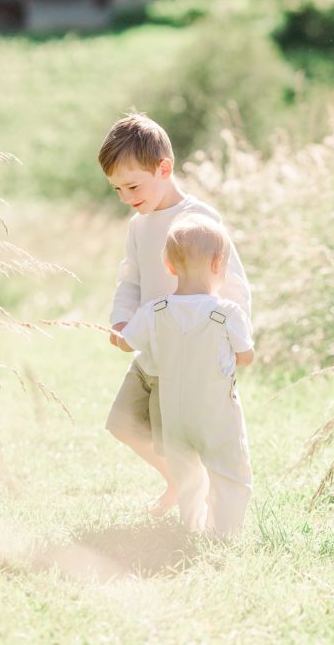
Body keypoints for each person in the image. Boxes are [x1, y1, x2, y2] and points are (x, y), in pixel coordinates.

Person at [99, 112, 251, 516]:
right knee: (123, 423)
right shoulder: (138, 225)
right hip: (151, 351)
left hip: (192, 356)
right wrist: (121, 320)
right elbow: (130, 278)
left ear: (164, 168)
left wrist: (235, 344)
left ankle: (197, 497)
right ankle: (177, 482)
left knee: (183, 438)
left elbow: (232, 284)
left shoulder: (197, 220)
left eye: (133, 185)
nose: (126, 197)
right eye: (116, 189)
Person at [118, 215, 255, 537]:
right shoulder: (227, 313)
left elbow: (127, 344)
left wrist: (118, 333)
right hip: (216, 413)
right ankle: (224, 532)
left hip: (175, 414)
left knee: (188, 477)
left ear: (168, 265)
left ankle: (193, 528)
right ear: (219, 262)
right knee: (229, 472)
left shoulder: (155, 311)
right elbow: (246, 357)